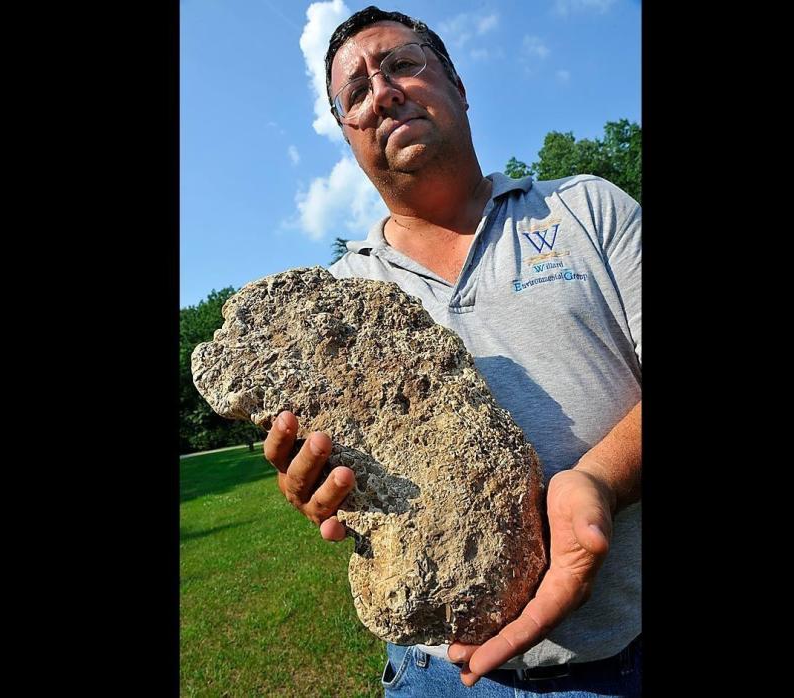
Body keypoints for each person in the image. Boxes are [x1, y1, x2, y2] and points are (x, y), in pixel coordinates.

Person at [264, 6, 641, 696]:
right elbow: (331, 482)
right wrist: (317, 489)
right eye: (356, 93)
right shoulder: (341, 302)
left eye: (403, 64)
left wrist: (601, 481)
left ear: (458, 84)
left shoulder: (587, 210)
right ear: (349, 136)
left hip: (618, 659)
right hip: (431, 674)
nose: (382, 92)